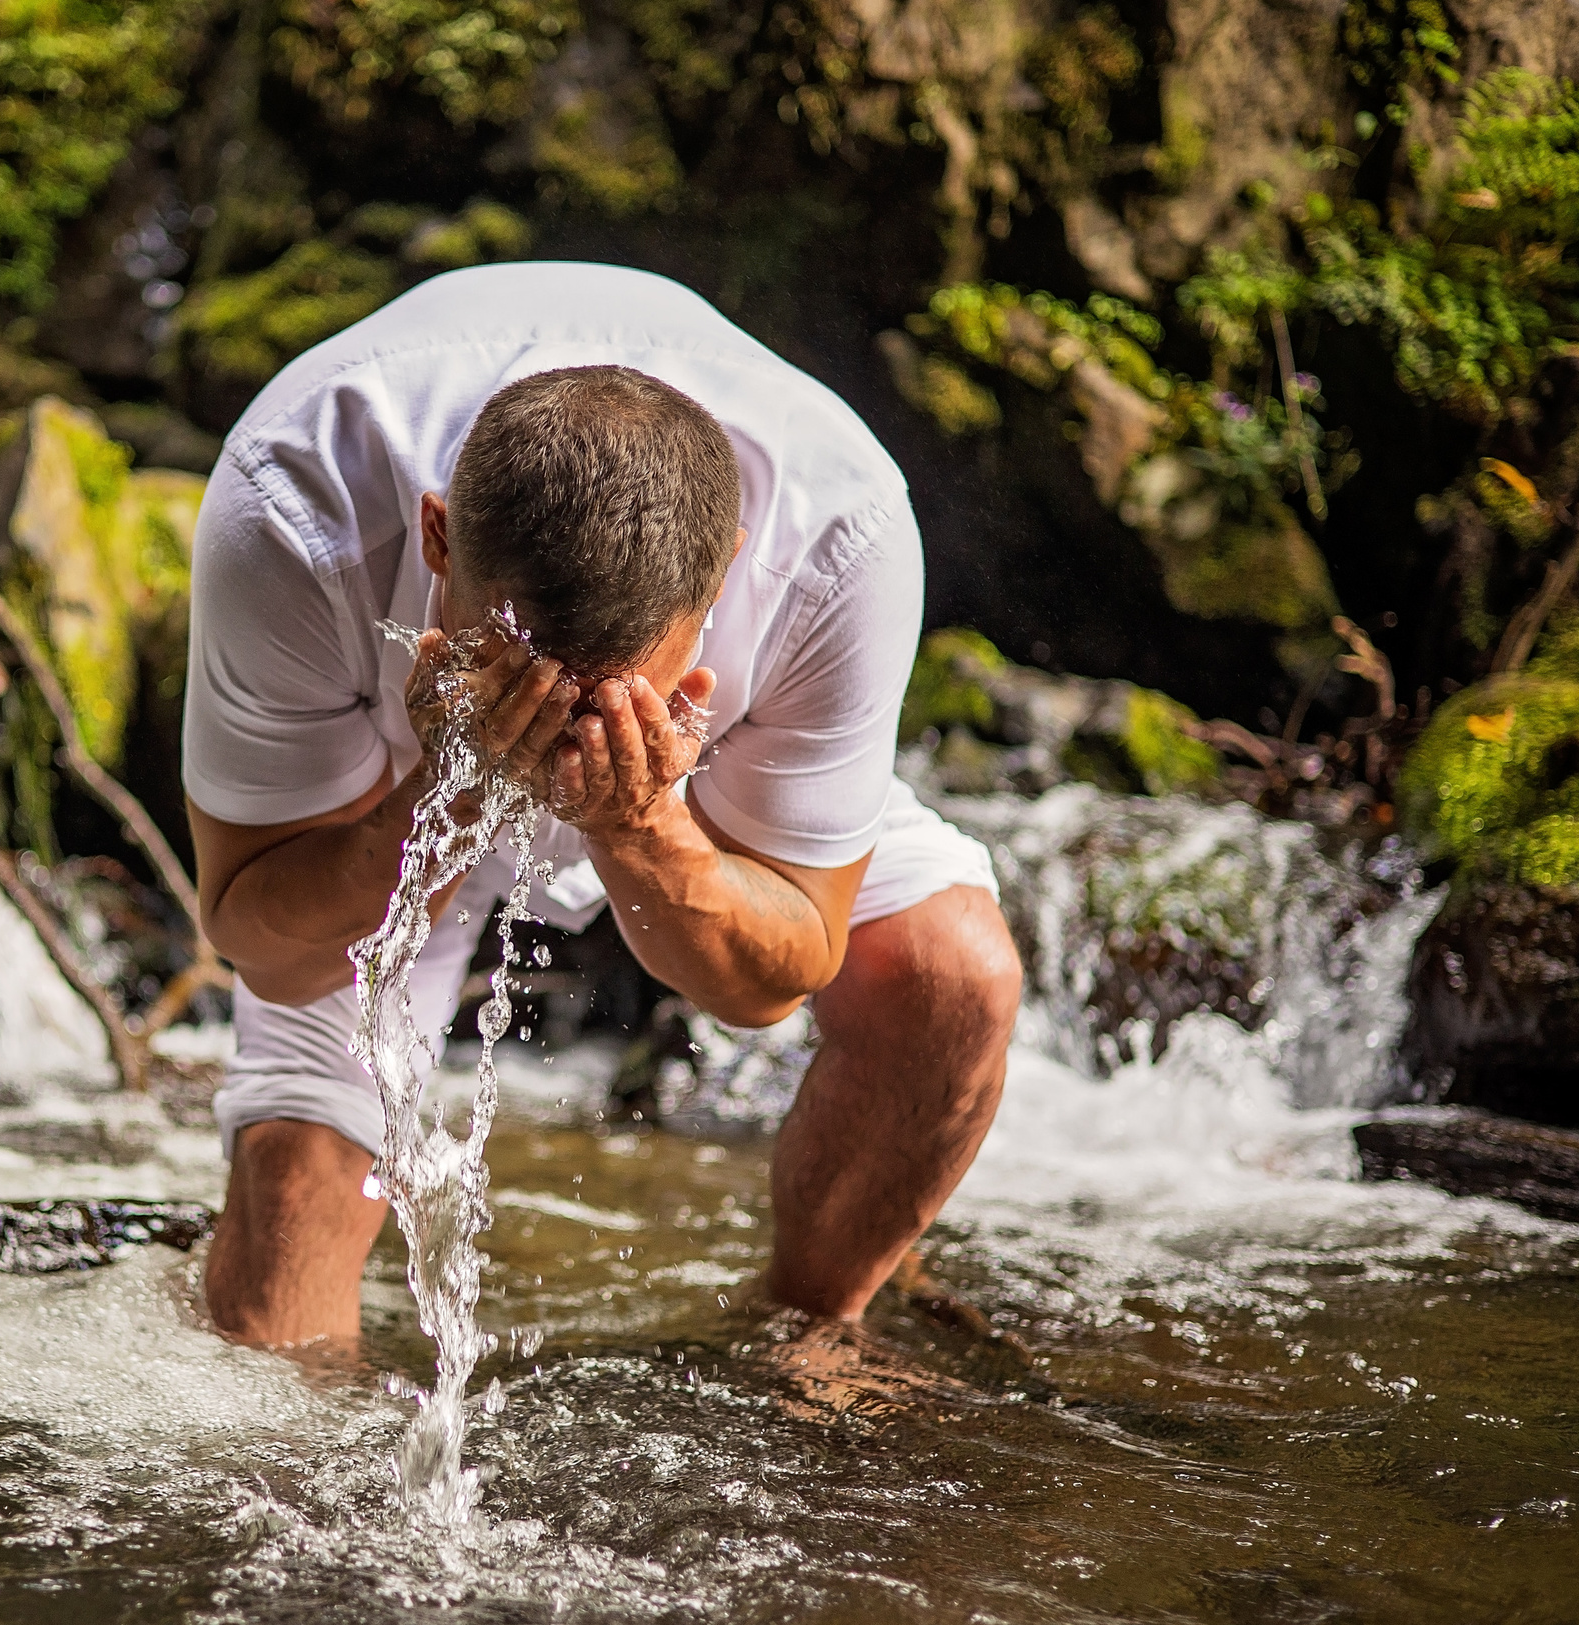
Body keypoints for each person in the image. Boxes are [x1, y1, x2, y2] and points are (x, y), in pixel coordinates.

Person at [182, 260, 1023, 1348]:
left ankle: (809, 1331)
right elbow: (269, 947)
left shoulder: (838, 538)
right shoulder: (293, 508)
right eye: (522, 666)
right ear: (438, 537)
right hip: (389, 773)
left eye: (610, 689)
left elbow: (775, 978)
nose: (561, 728)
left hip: (693, 775)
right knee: (280, 1272)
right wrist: (440, 798)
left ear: (721, 577)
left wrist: (643, 825)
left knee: (952, 974)